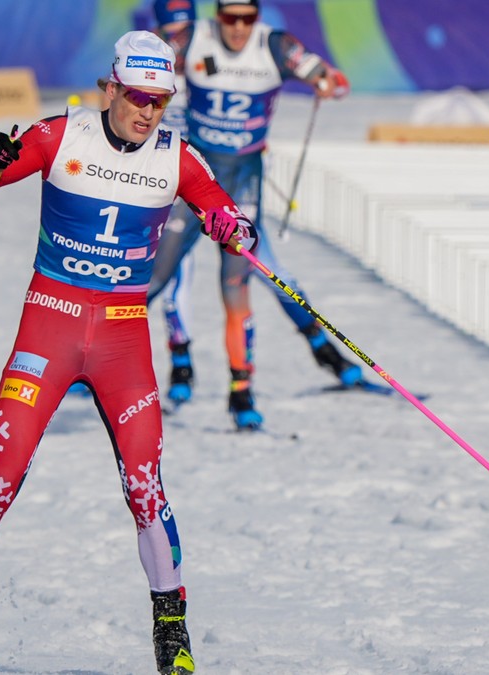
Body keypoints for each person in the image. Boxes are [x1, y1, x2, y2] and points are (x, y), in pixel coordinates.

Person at [0, 30, 257, 675]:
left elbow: (225, 212)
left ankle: (172, 640)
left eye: (159, 100)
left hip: (123, 340)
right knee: (2, 474)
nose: (147, 111)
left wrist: (231, 227)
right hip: (49, 327)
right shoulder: (59, 135)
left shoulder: (177, 157)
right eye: (136, 96)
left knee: (146, 486)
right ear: (111, 88)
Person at [146, 0, 358, 430]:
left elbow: (332, 79)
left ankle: (241, 394)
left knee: (236, 285)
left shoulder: (276, 45)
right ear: (217, 15)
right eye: (230, 18)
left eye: (247, 18)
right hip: (196, 181)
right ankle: (87, 362)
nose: (239, 28)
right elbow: (136, 71)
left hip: (243, 186)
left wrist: (328, 83)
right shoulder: (192, 39)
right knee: (153, 277)